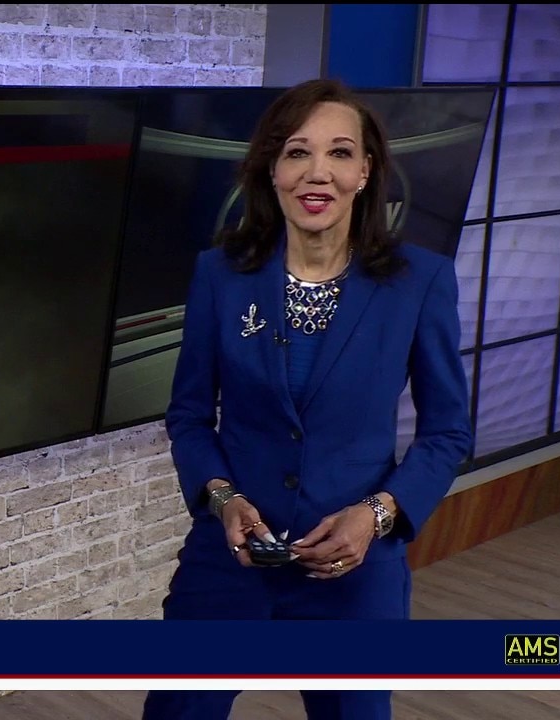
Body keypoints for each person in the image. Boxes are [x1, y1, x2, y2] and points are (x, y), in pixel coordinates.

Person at [141, 78, 474, 720]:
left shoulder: (420, 282)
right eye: (297, 152)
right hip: (233, 561)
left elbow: (447, 433)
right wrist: (223, 498)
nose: (317, 172)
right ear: (272, 169)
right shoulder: (220, 274)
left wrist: (374, 515)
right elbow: (189, 414)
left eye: (339, 152)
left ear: (365, 171)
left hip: (354, 571)